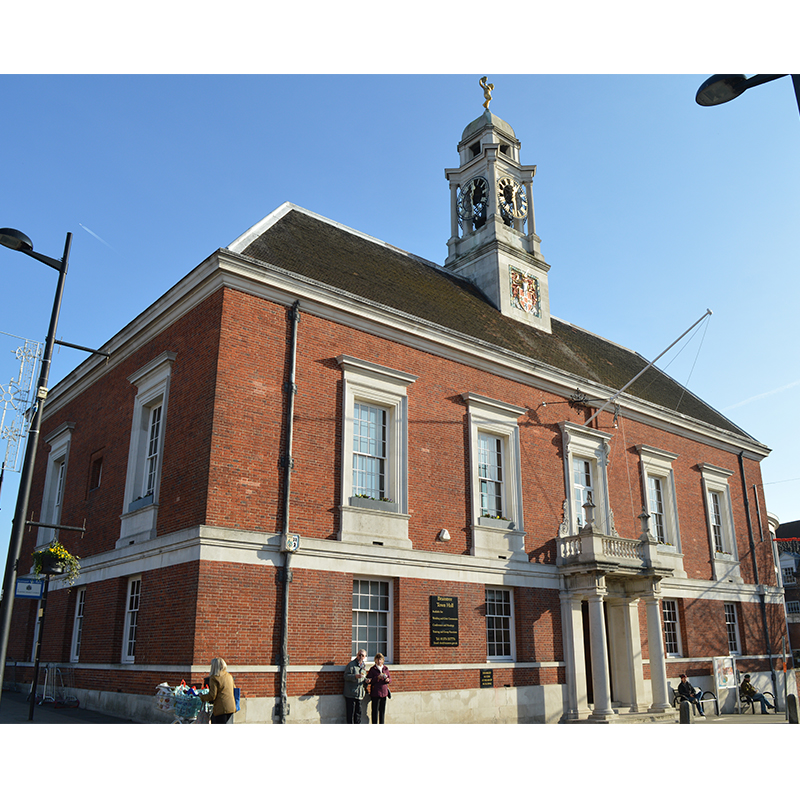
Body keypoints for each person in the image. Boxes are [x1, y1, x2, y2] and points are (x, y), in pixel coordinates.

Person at [206, 656, 237, 724]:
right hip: (231, 706)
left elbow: (212, 695)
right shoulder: (229, 676)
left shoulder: (214, 678)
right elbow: (234, 688)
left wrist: (202, 697)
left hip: (221, 708)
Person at [343, 649, 368, 724]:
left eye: (362, 655)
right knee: (350, 714)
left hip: (360, 694)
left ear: (365, 657)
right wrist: (355, 676)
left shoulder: (363, 666)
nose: (360, 657)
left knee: (358, 713)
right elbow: (345, 676)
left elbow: (363, 677)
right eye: (359, 655)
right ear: (357, 655)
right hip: (351, 693)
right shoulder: (351, 664)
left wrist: (366, 680)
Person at [366, 653, 391, 724]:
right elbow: (369, 680)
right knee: (375, 712)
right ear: (375, 660)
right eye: (377, 659)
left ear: (383, 660)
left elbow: (390, 679)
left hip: (384, 693)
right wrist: (377, 678)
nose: (379, 661)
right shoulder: (373, 669)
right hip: (375, 693)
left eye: (380, 659)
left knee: (382, 712)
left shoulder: (385, 668)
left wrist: (388, 680)